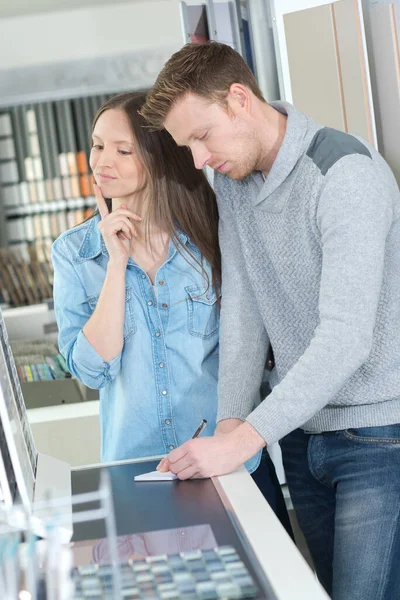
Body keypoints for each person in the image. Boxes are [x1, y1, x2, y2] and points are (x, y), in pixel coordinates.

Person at [141, 42, 400, 600]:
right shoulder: (236, 187)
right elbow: (243, 315)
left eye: (201, 136)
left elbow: (346, 337)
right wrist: (231, 427)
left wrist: (248, 437)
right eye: (187, 146)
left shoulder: (344, 174)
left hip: (381, 440)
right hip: (305, 438)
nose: (197, 160)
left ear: (238, 99)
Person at [51, 91, 292, 534]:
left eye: (123, 150)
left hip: (229, 465)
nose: (102, 160)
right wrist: (117, 263)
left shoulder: (211, 236)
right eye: (98, 144)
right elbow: (92, 371)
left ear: (158, 158)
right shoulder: (75, 253)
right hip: (139, 476)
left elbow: (254, 346)